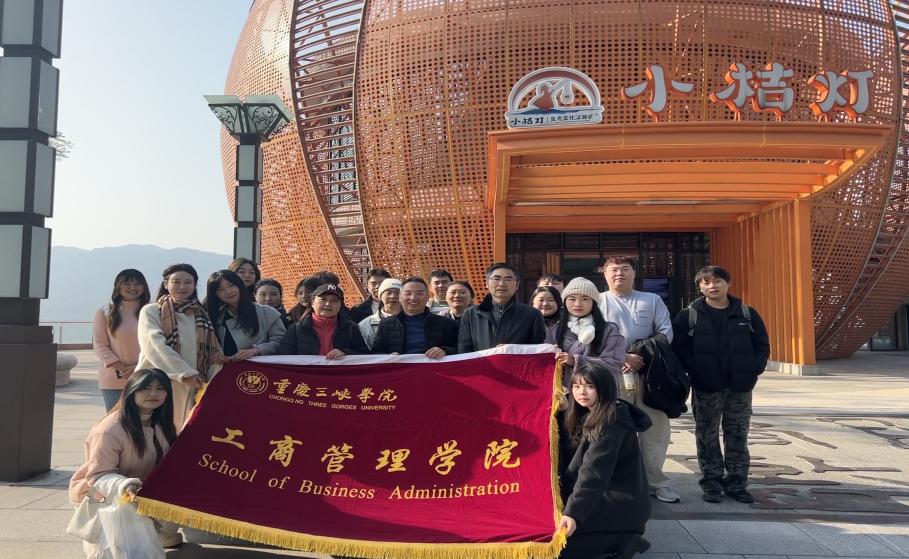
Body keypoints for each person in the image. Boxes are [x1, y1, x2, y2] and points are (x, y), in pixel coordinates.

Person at [671, 266, 770, 505]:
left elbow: (762, 344)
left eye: (717, 281)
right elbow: (679, 349)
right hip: (706, 387)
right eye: (706, 282)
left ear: (728, 283)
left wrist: (754, 368)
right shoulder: (689, 316)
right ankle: (711, 482)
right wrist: (696, 371)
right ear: (699, 287)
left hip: (740, 387)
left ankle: (737, 482)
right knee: (707, 434)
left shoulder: (746, 313)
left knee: (738, 434)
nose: (712, 286)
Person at [68, 369, 182, 555]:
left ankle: (160, 532)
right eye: (145, 388)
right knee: (119, 550)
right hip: (105, 496)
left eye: (160, 388)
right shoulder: (109, 429)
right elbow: (98, 476)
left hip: (143, 492)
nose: (153, 394)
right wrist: (125, 486)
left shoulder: (162, 423)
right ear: (131, 390)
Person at [598, 256, 680, 504]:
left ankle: (656, 481)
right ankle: (619, 482)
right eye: (614, 270)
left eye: (625, 269)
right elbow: (588, 336)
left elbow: (665, 332)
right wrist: (621, 356)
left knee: (655, 430)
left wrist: (639, 355)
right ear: (605, 274)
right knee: (613, 429)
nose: (619, 274)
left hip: (648, 374)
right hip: (611, 374)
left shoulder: (651, 300)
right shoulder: (597, 301)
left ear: (634, 273)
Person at [557, 363, 651, 559]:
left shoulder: (611, 422)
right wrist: (564, 411)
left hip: (618, 503)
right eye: (576, 386)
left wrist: (573, 513)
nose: (581, 392)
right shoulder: (589, 412)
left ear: (604, 388)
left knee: (555, 546)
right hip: (605, 497)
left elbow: (593, 474)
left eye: (589, 386)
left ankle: (622, 540)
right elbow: (573, 451)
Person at [136, 263, 222, 429]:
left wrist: (213, 381)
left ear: (195, 285)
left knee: (187, 431)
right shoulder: (152, 310)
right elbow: (154, 344)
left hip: (195, 385)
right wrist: (185, 373)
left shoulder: (201, 313)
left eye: (188, 282)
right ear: (166, 284)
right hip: (159, 382)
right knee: (154, 430)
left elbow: (213, 350)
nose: (182, 287)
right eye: (176, 282)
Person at [548, 278, 624, 389]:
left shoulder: (609, 330)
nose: (578, 304)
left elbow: (615, 364)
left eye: (585, 299)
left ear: (594, 303)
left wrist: (576, 361)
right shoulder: (556, 330)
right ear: (565, 302)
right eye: (572, 299)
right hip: (564, 393)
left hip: (599, 391)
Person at [93, 269, 150, 411]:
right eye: (127, 283)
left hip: (147, 376)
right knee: (116, 420)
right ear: (118, 286)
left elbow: (157, 345)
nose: (133, 287)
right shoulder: (105, 312)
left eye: (138, 283)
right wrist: (122, 368)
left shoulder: (153, 311)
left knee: (146, 420)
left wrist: (139, 367)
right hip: (114, 379)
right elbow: (100, 345)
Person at [458, 263, 546, 353]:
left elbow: (538, 351)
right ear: (487, 283)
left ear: (517, 285)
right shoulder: (471, 314)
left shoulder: (532, 315)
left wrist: (513, 349)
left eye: (508, 279)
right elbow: (464, 351)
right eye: (496, 279)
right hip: (481, 362)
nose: (502, 284)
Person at [205, 270, 286, 360]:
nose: (228, 291)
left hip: (259, 367)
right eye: (220, 289)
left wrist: (256, 350)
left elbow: (281, 341)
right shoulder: (214, 317)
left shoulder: (266, 312)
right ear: (215, 294)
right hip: (226, 367)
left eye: (231, 285)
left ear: (239, 285)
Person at [372, 277, 458, 358]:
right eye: (408, 293)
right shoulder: (386, 324)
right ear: (400, 297)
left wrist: (445, 350)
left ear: (428, 296)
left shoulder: (446, 323)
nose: (413, 298)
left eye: (419, 293)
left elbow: (459, 349)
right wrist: (388, 356)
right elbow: (375, 353)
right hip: (399, 368)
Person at [278, 284, 369, 357]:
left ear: (340, 306)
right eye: (323, 299)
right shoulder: (296, 329)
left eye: (334, 301)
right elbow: (283, 358)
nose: (328, 304)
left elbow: (364, 356)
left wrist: (346, 352)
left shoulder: (351, 329)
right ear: (312, 302)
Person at [358, 278, 402, 349]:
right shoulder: (365, 324)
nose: (393, 296)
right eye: (389, 293)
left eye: (397, 293)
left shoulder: (411, 320)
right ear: (380, 296)